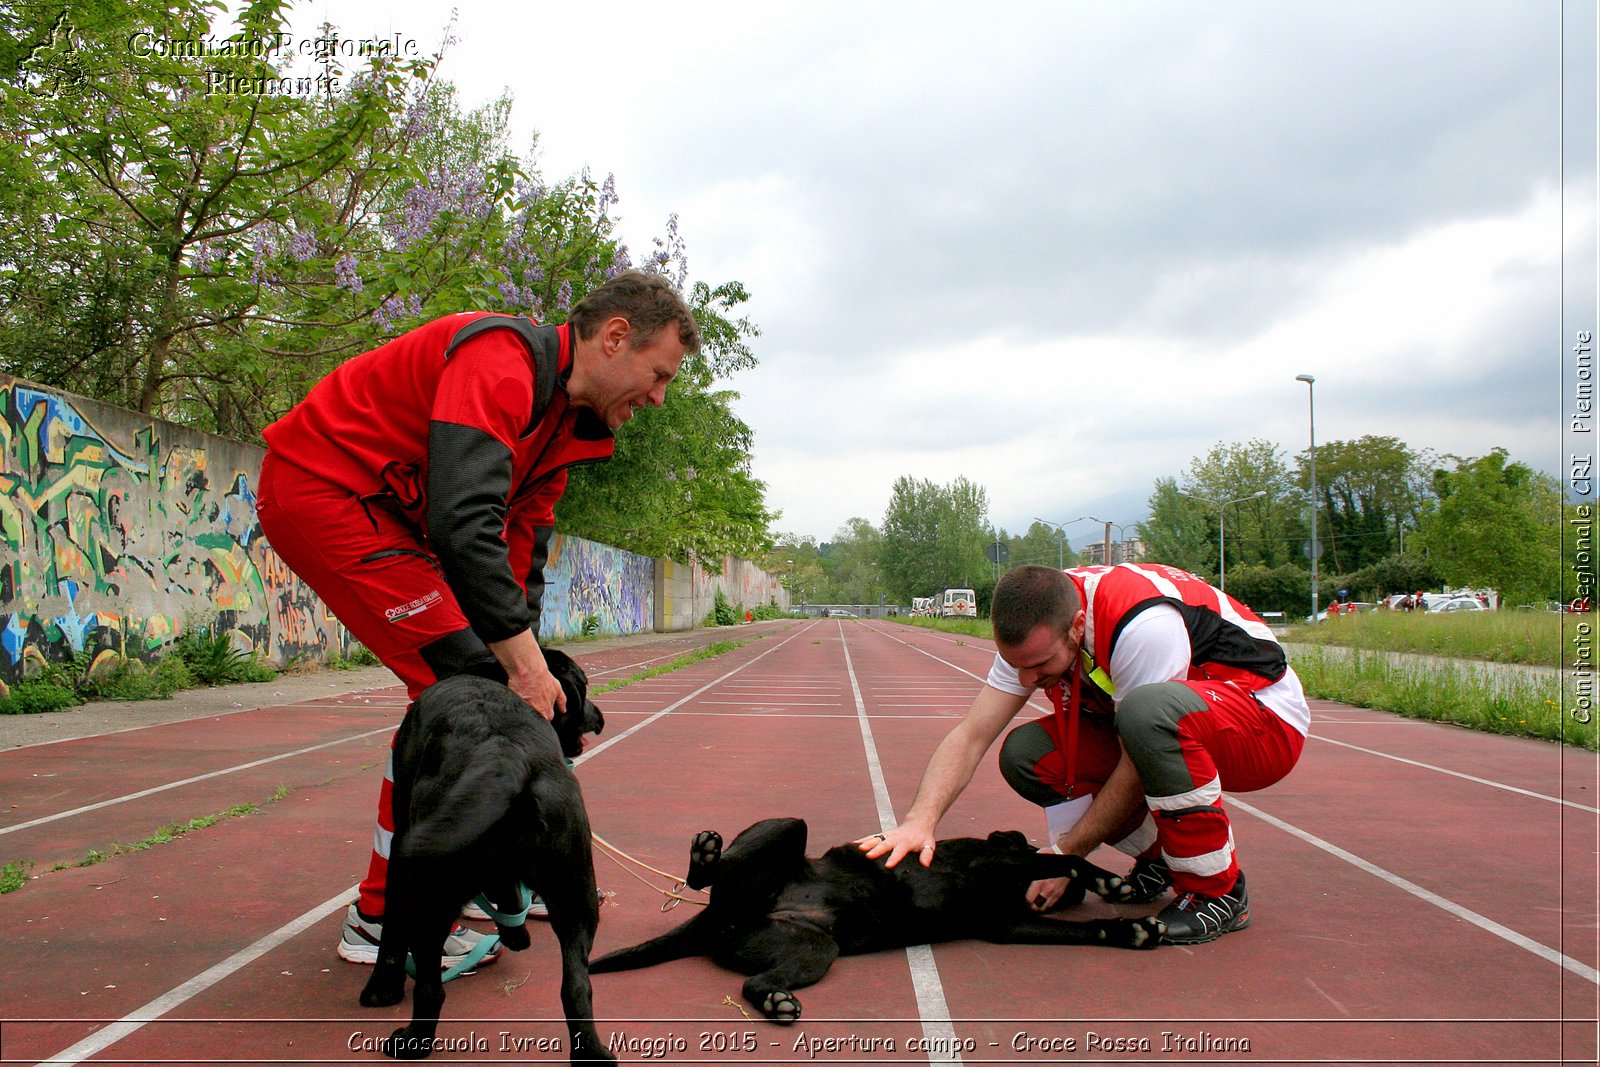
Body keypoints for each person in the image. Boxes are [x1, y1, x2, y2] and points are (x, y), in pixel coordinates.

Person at [256, 270, 700, 969]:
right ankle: (384, 915)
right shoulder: (500, 358)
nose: (658, 396)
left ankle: (514, 863)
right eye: (658, 374)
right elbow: (463, 519)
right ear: (615, 337)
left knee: (521, 680)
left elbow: (517, 558)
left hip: (388, 517)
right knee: (464, 690)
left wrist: (534, 665)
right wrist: (515, 667)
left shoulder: (561, 431)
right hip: (326, 492)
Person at [860, 562, 1310, 945]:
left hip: (1263, 723)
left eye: (1039, 667)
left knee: (1146, 713)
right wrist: (920, 821)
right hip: (1173, 724)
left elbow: (1139, 760)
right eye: (1017, 666)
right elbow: (972, 735)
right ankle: (1162, 863)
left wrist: (1064, 857)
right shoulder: (1033, 634)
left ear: (1077, 627)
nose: (1027, 679)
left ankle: (1220, 892)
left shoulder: (1142, 625)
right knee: (1029, 753)